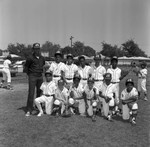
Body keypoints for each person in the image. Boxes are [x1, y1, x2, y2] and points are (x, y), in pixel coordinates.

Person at [24, 43, 45, 116]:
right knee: (31, 93)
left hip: (40, 76)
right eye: (35, 48)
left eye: (38, 48)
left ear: (40, 49)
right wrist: (29, 75)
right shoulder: (30, 58)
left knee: (40, 92)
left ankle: (38, 107)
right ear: (33, 49)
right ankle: (29, 109)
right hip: (32, 76)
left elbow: (43, 66)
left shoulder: (42, 58)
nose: (37, 50)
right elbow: (26, 67)